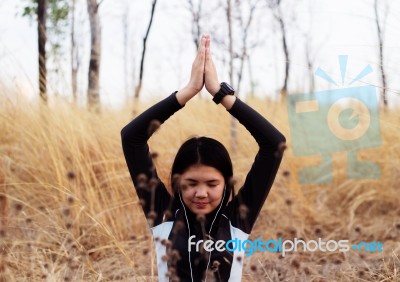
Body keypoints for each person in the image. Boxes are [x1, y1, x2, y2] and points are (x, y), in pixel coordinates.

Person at [121, 34, 286, 282]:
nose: (200, 193)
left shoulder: (237, 220)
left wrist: (221, 94)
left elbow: (275, 143)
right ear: (177, 183)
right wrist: (186, 93)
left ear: (226, 183)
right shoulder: (164, 215)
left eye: (212, 184)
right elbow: (131, 137)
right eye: (190, 184)